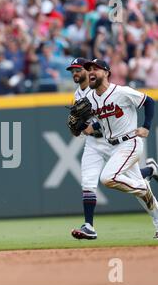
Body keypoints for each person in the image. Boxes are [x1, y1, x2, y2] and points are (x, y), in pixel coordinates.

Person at [67, 58, 158, 240]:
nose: (91, 72)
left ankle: (142, 184)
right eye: (89, 69)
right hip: (111, 144)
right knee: (139, 194)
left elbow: (149, 101)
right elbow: (87, 125)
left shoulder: (121, 92)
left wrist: (146, 126)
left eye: (95, 69)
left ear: (106, 72)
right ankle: (147, 188)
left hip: (129, 143)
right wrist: (78, 126)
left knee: (108, 178)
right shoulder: (89, 99)